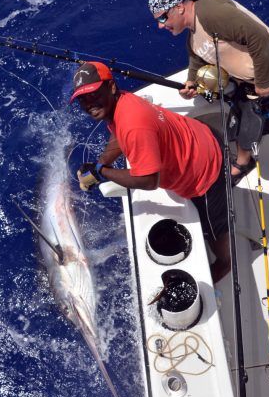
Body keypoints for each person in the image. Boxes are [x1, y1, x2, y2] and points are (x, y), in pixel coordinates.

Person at [70, 60, 230, 283]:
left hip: (206, 175)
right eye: (82, 99)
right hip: (204, 137)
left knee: (214, 228)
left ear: (111, 87)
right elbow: (119, 133)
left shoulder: (134, 125)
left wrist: (103, 172)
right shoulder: (122, 103)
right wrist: (100, 164)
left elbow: (148, 180)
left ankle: (224, 262)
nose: (89, 104)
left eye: (94, 94)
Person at [148, 0, 269, 191]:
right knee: (241, 125)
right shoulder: (192, 37)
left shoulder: (212, 12)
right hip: (250, 86)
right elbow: (197, 58)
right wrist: (192, 82)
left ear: (178, 7)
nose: (161, 26)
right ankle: (243, 162)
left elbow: (257, 36)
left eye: (162, 18)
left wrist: (263, 81)